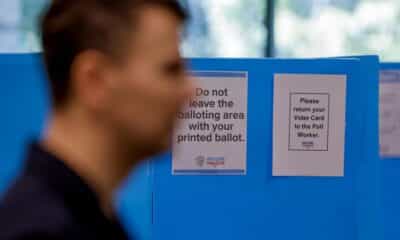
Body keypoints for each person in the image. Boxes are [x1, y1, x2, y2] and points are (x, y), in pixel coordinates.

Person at [0, 0, 194, 239]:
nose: (191, 90)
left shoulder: (91, 219)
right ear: (94, 80)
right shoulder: (40, 232)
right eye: (171, 69)